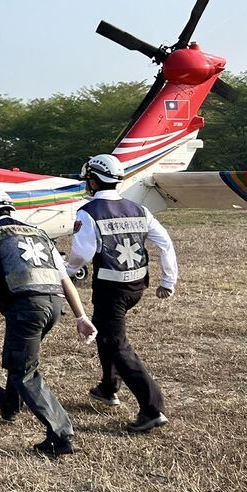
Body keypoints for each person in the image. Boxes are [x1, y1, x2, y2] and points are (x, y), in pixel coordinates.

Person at [0, 188, 97, 457]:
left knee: (23, 371)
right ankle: (10, 404)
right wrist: (81, 316)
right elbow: (64, 279)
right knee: (20, 357)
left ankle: (61, 435)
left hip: (26, 308)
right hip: (53, 306)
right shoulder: (39, 233)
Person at [64, 153, 178, 434]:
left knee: (116, 343)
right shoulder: (139, 209)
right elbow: (165, 243)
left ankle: (153, 408)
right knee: (105, 332)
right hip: (136, 286)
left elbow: (82, 253)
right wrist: (168, 281)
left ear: (93, 180)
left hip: (111, 288)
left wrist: (65, 271)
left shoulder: (88, 212)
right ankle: (108, 387)